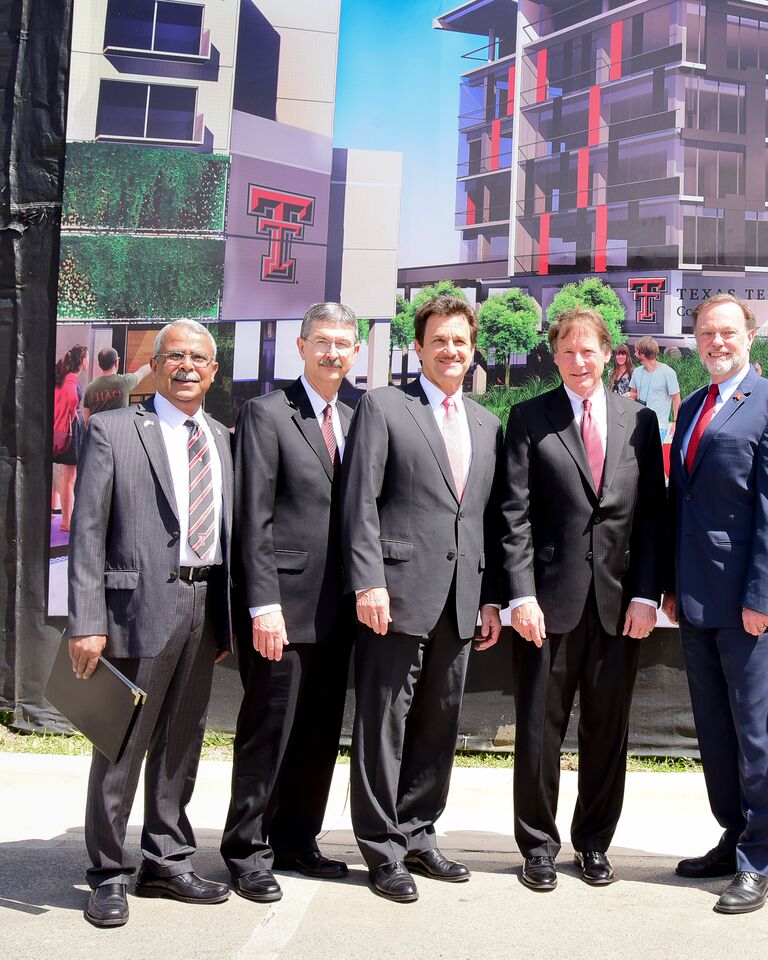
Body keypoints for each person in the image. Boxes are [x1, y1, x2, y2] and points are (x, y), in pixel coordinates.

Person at [67, 320, 234, 928]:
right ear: (155, 365)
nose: (187, 366)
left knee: (181, 743)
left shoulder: (222, 437)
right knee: (121, 745)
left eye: (199, 358)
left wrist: (224, 620)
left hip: (203, 607)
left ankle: (165, 859)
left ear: (214, 372)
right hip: (133, 610)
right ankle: (108, 873)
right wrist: (87, 620)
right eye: (176, 356)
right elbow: (87, 531)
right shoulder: (113, 430)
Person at [342, 294, 505, 903]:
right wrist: (368, 581)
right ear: (418, 347)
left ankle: (417, 831)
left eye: (460, 341)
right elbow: (359, 502)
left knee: (439, 724)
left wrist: (490, 598)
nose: (450, 351)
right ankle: (381, 848)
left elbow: (484, 518)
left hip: (462, 602)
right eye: (439, 340)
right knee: (383, 722)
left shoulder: (488, 423)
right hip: (396, 594)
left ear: (472, 347)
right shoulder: (385, 407)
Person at [501, 308, 665, 892]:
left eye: (588, 350)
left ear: (608, 354)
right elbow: (512, 516)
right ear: (555, 355)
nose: (578, 360)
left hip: (620, 607)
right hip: (547, 606)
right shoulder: (527, 418)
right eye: (567, 351)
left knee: (607, 730)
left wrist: (647, 595)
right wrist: (519, 596)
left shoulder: (639, 421)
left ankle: (593, 842)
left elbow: (650, 518)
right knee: (539, 731)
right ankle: (538, 846)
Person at [661, 294, 768, 915]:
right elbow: (682, 501)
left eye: (727, 332)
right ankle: (732, 834)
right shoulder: (692, 404)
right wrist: (670, 581)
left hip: (750, 606)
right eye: (705, 333)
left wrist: (762, 598)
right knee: (716, 734)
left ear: (750, 336)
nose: (715, 342)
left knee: (758, 734)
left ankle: (759, 858)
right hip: (695, 599)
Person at [221, 303, 361, 903]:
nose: (333, 353)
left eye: (344, 344)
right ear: (301, 347)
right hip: (283, 605)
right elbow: (252, 516)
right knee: (268, 730)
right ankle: (247, 848)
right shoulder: (268, 413)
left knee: (320, 732)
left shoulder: (361, 416)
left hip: (341, 611)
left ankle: (297, 840)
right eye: (322, 342)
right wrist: (262, 605)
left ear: (357, 352)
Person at [52, 344, 88, 532]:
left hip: (60, 429)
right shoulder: (71, 378)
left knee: (64, 476)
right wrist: (73, 413)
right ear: (82, 360)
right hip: (70, 431)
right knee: (69, 478)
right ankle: (66, 521)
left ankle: (57, 511)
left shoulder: (63, 375)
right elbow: (71, 399)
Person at [629, 336, 681, 442]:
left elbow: (676, 398)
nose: (634, 353)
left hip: (659, 426)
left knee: (651, 458)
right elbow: (633, 394)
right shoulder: (637, 372)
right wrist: (623, 396)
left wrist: (676, 422)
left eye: (636, 351)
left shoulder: (668, 372)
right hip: (639, 424)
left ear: (642, 353)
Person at [82, 347, 146, 419]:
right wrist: (154, 362)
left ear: (100, 364)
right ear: (116, 362)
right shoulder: (125, 381)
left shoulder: (90, 388)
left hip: (98, 429)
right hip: (119, 429)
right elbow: (141, 372)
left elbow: (86, 419)